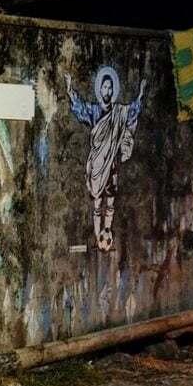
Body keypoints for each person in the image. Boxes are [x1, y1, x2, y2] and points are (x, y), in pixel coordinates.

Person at [65, 68, 145, 252]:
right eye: (105, 87)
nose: (108, 91)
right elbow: (81, 109)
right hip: (97, 165)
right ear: (100, 89)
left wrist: (140, 96)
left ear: (113, 91)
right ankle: (97, 237)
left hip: (112, 166)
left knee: (110, 202)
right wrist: (70, 91)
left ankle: (107, 230)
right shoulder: (94, 111)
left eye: (110, 88)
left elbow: (132, 112)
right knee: (97, 203)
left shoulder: (119, 112)